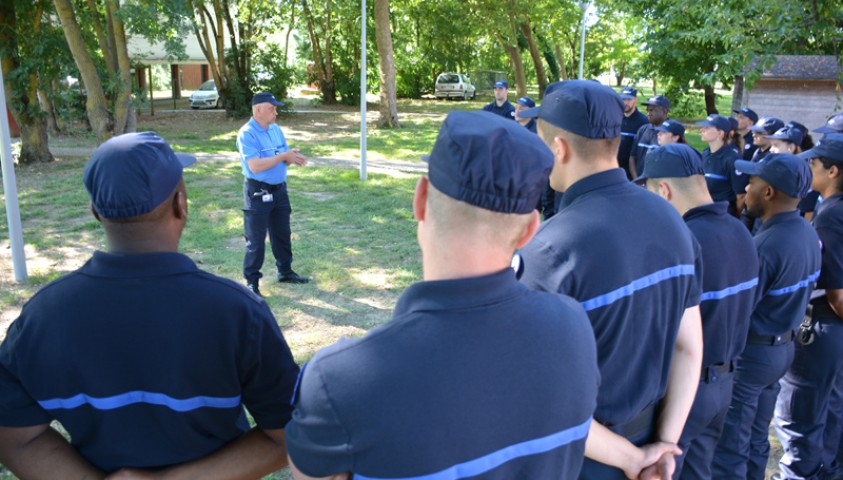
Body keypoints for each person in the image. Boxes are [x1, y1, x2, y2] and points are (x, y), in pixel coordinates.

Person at [285, 111, 662, 479]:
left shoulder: (339, 380)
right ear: (531, 229)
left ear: (420, 200)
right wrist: (632, 458)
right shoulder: (571, 326)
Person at [0, 132, 301, 478]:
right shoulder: (238, 313)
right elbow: (289, 436)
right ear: (181, 204)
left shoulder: (42, 316)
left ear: (95, 211)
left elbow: (13, 436)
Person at [517, 80, 704, 480]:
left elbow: (540, 398)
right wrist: (663, 447)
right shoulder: (672, 221)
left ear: (558, 149)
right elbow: (689, 347)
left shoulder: (548, 251)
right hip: (651, 443)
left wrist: (633, 459)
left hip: (583, 461)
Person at [637, 144, 759, 480]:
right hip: (725, 383)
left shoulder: (682, 241)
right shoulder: (741, 231)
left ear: (664, 189)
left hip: (685, 390)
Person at [712, 153, 822, 480]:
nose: (746, 187)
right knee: (758, 434)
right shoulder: (805, 231)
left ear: (769, 192)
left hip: (754, 353)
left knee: (731, 441)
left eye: (753, 182)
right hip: (783, 348)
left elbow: (739, 310)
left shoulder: (765, 245)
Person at [774, 134, 843, 480]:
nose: (809, 168)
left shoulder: (831, 214)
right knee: (830, 412)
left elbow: (837, 293)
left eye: (814, 164)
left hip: (825, 324)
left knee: (799, 416)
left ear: (833, 171)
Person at [237, 91, 309, 297]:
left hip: (279, 191)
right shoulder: (247, 133)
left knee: (282, 234)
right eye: (271, 108)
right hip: (258, 193)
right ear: (257, 110)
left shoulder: (275, 129)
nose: (275, 112)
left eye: (275, 108)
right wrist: (283, 156)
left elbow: (282, 154)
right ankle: (252, 283)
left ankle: (285, 271)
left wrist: (291, 156)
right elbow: (255, 165)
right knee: (256, 240)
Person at [698, 114, 746, 217]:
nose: (702, 130)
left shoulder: (732, 158)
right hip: (705, 211)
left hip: (723, 215)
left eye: (707, 128)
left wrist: (734, 217)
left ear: (720, 133)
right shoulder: (705, 153)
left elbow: (741, 196)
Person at [630, 94, 671, 178]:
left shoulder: (671, 132)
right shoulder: (642, 130)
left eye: (652, 110)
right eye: (648, 110)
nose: (648, 113)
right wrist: (636, 180)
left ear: (664, 111)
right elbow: (632, 157)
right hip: (639, 184)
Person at [619, 86, 649, 179]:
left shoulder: (643, 121)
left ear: (635, 100)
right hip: (614, 168)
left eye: (629, 99)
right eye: (623, 99)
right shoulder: (614, 118)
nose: (625, 103)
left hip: (632, 172)